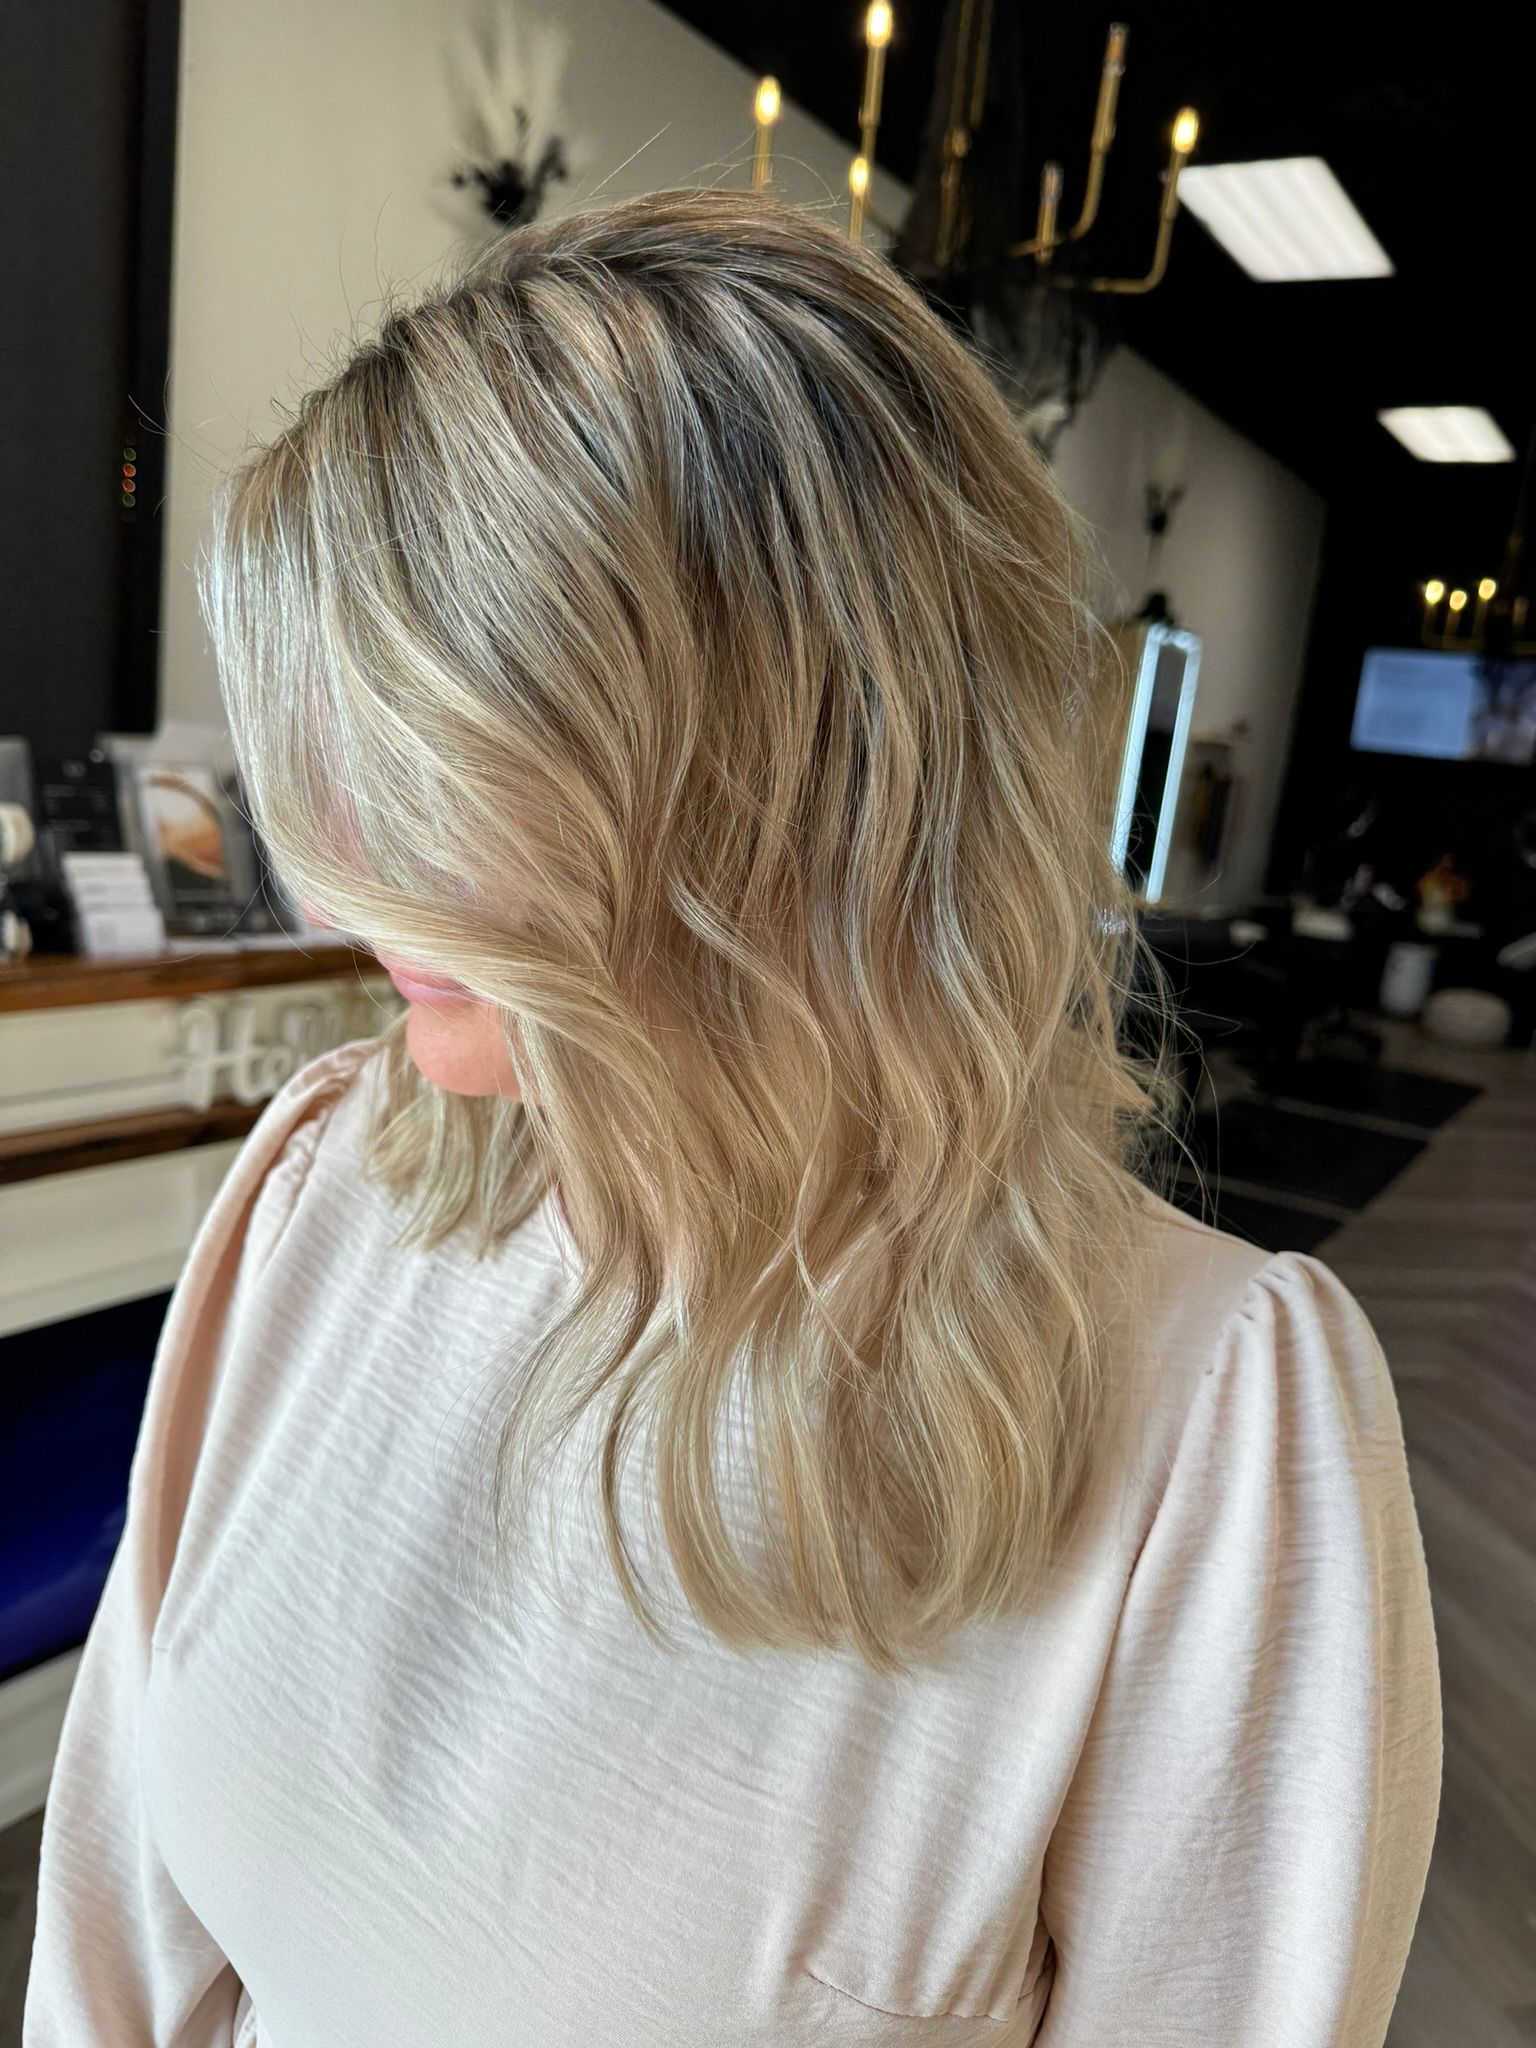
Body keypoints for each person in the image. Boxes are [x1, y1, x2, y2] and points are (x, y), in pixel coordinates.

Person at [25, 189, 1440, 2047]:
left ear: (796, 786)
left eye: (448, 771)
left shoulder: (1211, 1425)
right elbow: (115, 1938)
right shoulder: (326, 1187)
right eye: (343, 761)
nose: (340, 867)